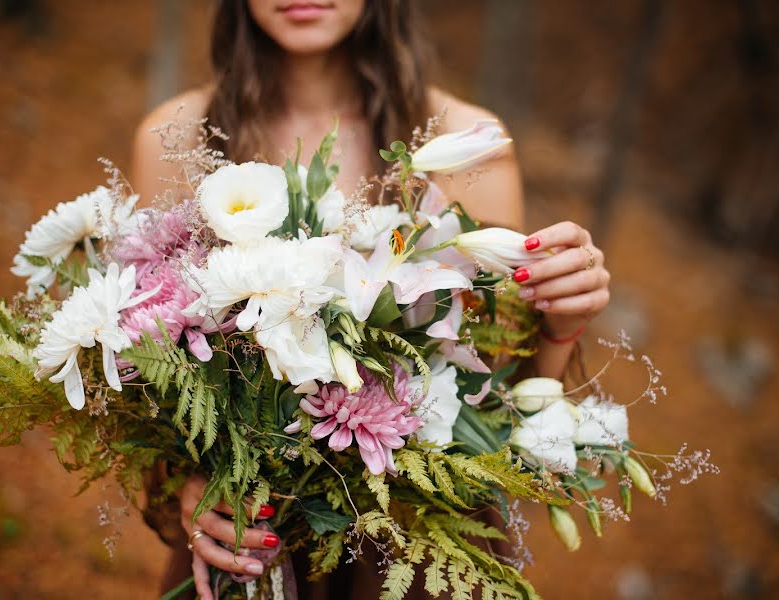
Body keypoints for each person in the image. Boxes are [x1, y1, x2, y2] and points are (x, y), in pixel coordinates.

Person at [131, 2, 611, 598]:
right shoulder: (175, 137)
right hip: (249, 550)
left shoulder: (468, 145)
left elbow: (500, 406)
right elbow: (152, 371)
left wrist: (561, 326)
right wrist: (192, 483)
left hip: (416, 553)